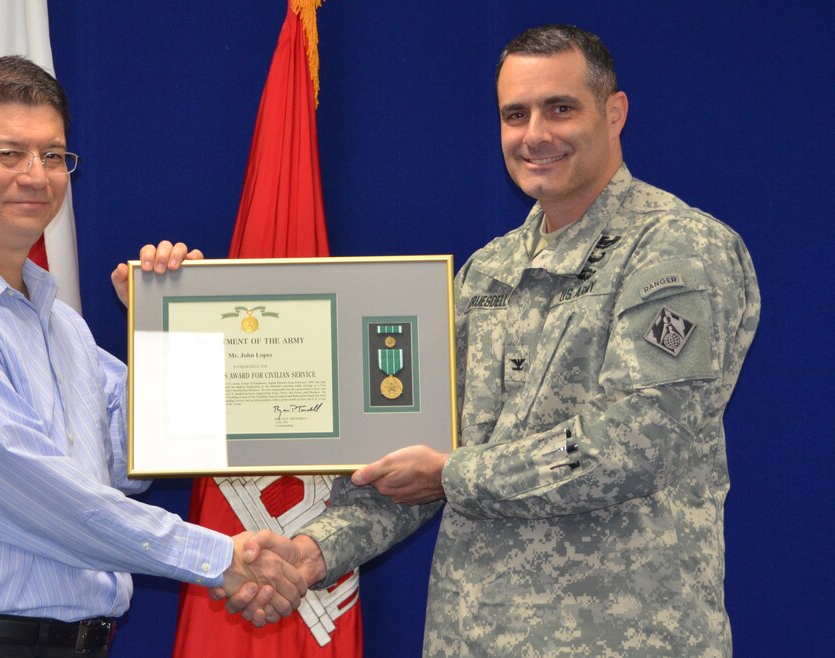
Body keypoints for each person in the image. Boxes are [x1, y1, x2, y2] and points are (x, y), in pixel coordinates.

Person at [230, 24, 761, 657]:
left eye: (559, 108)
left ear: (614, 113)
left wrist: (453, 473)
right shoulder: (488, 272)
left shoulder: (677, 248)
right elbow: (417, 455)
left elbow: (633, 443)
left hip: (621, 640)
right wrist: (311, 552)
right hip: (471, 639)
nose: (535, 134)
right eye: (516, 114)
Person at [0, 55, 303, 658]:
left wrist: (173, 323)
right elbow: (35, 492)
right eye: (7, 154)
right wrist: (219, 558)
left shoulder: (61, 324)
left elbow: (135, 457)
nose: (36, 176)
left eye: (53, 156)